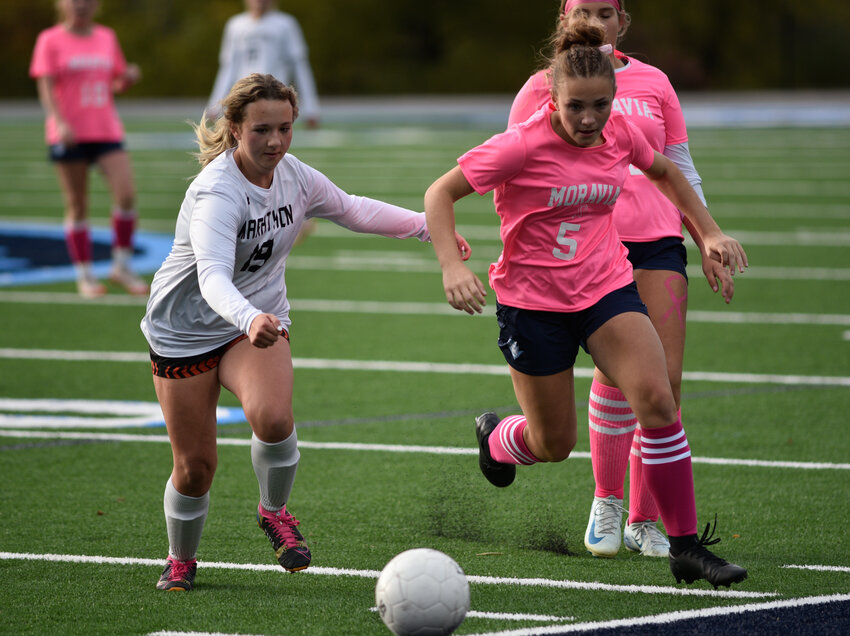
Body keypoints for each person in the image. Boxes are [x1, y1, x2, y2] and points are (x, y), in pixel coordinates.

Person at [424, 19, 749, 587]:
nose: (588, 119)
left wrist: (710, 233)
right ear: (552, 97)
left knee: (658, 400)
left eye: (600, 105)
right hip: (533, 304)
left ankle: (686, 546)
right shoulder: (521, 143)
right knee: (553, 443)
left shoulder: (621, 133)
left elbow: (667, 171)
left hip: (606, 289)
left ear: (614, 99)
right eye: (576, 106)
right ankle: (498, 439)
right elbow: (439, 193)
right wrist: (453, 264)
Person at [141, 73, 470, 592]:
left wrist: (429, 227)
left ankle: (273, 512)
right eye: (261, 130)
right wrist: (248, 317)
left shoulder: (294, 176)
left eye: (285, 129)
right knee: (195, 468)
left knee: (273, 418)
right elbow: (211, 277)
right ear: (234, 128)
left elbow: (353, 209)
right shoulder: (216, 194)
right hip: (185, 330)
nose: (275, 141)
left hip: (257, 323)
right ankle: (180, 559)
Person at [509, 0, 736, 560]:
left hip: (658, 238)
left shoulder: (655, 82)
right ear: (565, 21)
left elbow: (678, 166)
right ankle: (608, 501)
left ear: (623, 21)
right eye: (584, 10)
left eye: (607, 11)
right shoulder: (543, 86)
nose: (598, 20)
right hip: (591, 246)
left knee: (666, 384)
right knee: (616, 377)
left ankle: (644, 520)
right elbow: (519, 174)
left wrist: (705, 235)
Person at [29, 0, 149, 299]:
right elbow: (45, 87)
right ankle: (84, 274)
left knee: (126, 194)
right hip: (69, 133)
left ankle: (121, 265)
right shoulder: (50, 39)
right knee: (78, 204)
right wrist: (59, 123)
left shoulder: (107, 36)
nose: (81, 5)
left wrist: (128, 78)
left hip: (106, 128)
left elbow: (115, 83)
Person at [206, 0, 320, 129]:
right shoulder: (235, 25)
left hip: (274, 97)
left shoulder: (286, 24)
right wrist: (215, 105)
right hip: (244, 98)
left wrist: (311, 109)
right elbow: (228, 69)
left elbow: (300, 67)